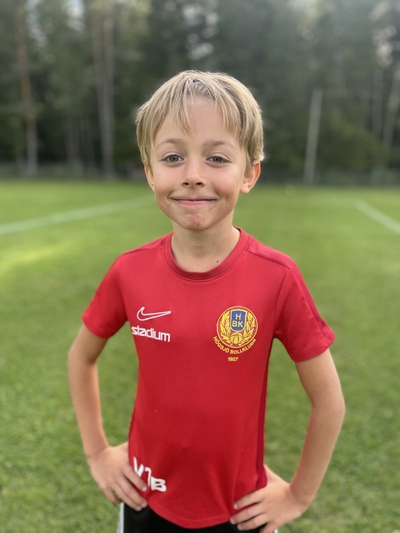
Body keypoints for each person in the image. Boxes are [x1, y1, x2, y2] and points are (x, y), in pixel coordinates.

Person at [68, 70, 345, 533]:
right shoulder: (129, 271)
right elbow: (81, 356)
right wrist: (97, 452)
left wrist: (297, 495)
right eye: (172, 157)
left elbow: (329, 401)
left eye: (216, 158)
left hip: (241, 511)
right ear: (150, 172)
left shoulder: (277, 278)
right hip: (145, 499)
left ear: (249, 173)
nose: (193, 176)